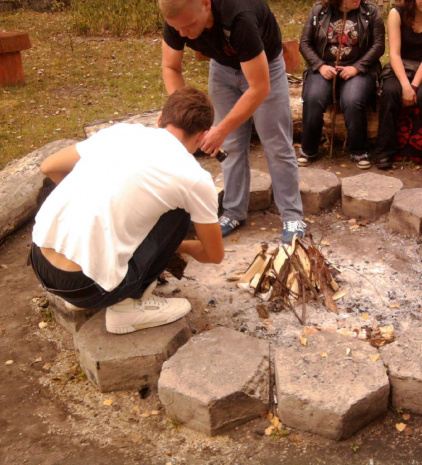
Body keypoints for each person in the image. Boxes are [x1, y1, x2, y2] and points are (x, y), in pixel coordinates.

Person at [30, 87, 225, 334]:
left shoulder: (120, 132)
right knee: (180, 213)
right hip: (85, 286)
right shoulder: (194, 178)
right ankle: (128, 307)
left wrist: (88, 201)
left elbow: (49, 167)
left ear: (159, 119)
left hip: (40, 261)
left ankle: (81, 283)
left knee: (61, 183)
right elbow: (214, 255)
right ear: (202, 137)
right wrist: (178, 246)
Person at [159, 0, 306, 243]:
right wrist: (177, 113)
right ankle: (234, 212)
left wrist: (221, 129)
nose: (183, 33)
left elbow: (259, 87)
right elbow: (171, 67)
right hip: (222, 66)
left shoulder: (239, 16)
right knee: (231, 146)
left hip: (264, 67)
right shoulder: (178, 19)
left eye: (188, 26)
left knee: (276, 144)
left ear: (206, 5)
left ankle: (292, 215)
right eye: (178, 29)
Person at [298, 0, 385, 170]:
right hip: (324, 68)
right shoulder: (319, 10)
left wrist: (357, 68)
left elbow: (379, 45)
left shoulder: (370, 11)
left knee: (353, 100)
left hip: (359, 68)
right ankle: (309, 149)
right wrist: (320, 66)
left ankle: (359, 150)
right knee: (313, 98)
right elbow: (304, 43)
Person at [374, 0, 422, 177]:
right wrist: (405, 85)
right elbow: (394, 54)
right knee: (391, 91)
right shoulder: (396, 13)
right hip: (400, 66)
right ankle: (384, 151)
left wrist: (414, 85)